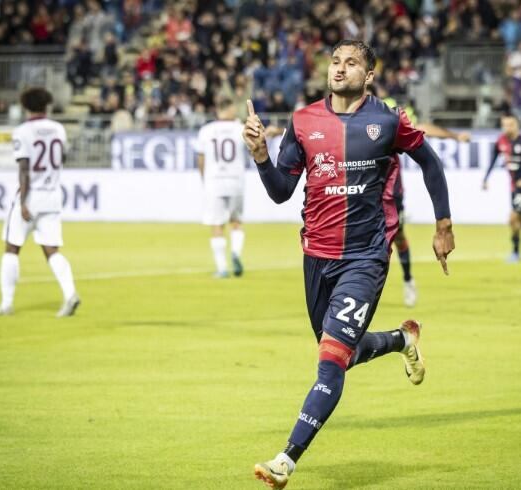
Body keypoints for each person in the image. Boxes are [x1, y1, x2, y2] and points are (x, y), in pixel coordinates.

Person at [242, 40, 455, 489]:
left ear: (369, 74)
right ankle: (401, 339)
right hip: (316, 257)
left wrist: (443, 225)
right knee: (340, 349)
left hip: (365, 257)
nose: (340, 69)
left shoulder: (388, 120)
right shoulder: (303, 121)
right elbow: (281, 191)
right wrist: (261, 156)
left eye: (351, 62)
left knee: (331, 361)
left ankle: (286, 459)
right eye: (335, 61)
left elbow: (431, 165)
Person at [374, 84, 469, 306]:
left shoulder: (390, 116)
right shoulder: (352, 115)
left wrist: (453, 136)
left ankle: (408, 281)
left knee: (397, 237)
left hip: (390, 192)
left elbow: (420, 127)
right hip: (358, 192)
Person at [0, 87, 80, 317]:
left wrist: (23, 202)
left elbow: (24, 169)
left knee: (12, 247)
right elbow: (63, 157)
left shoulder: (22, 131)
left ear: (26, 106)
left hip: (31, 197)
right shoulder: (58, 129)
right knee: (52, 250)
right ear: (46, 105)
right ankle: (70, 293)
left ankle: (7, 303)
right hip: (52, 196)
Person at [195, 98, 248, 278]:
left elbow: (200, 159)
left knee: (217, 224)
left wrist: (204, 179)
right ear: (230, 108)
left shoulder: (206, 131)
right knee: (236, 221)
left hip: (214, 181)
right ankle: (235, 253)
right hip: (236, 180)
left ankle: (222, 268)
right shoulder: (241, 128)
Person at [482, 113, 521, 262]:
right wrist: (486, 178)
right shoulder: (500, 141)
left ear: (517, 125)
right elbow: (492, 160)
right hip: (513, 187)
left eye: (511, 124)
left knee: (513, 218)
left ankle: (515, 252)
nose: (507, 128)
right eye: (505, 125)